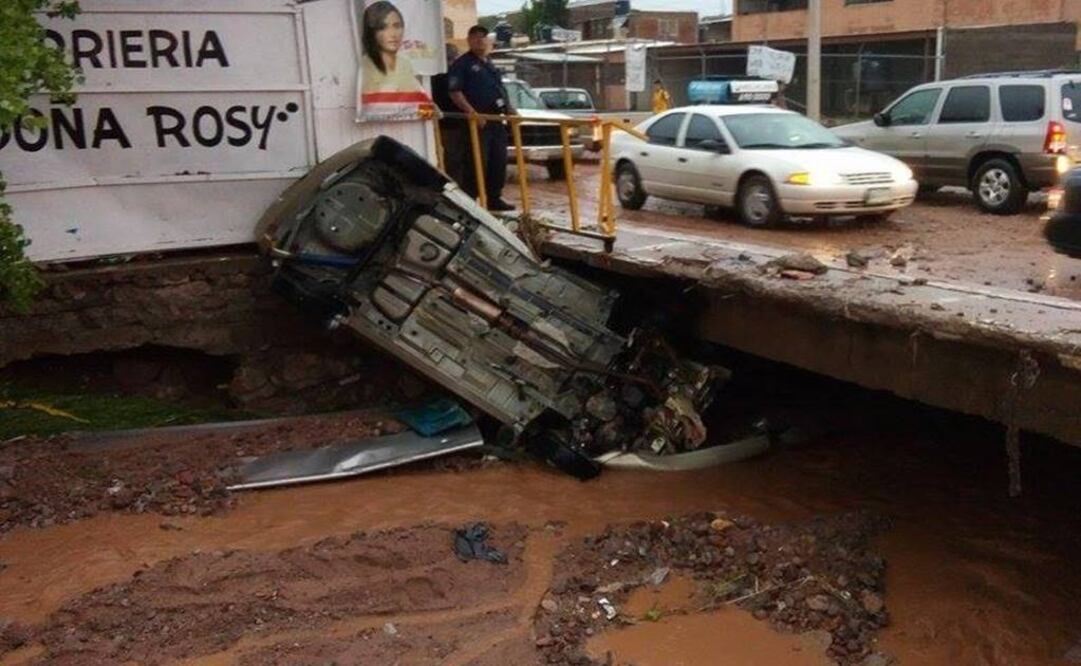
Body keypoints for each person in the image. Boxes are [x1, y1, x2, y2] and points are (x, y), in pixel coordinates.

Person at [447, 25, 516, 212]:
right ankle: (471, 201)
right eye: (475, 37)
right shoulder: (462, 64)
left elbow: (498, 89)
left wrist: (509, 109)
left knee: (498, 160)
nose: (480, 40)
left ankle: (494, 198)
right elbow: (455, 92)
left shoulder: (489, 63)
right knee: (477, 162)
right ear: (469, 40)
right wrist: (472, 113)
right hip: (477, 121)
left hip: (495, 119)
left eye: (483, 37)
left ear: (488, 41)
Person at [359, 1, 427, 105]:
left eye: (397, 26)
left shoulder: (404, 64)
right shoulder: (363, 66)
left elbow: (422, 103)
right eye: (383, 27)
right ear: (371, 32)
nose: (393, 34)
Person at [431, 43, 469, 187]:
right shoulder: (450, 75)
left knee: (452, 157)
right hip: (453, 122)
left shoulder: (435, 75)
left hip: (446, 122)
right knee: (455, 158)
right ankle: (456, 187)